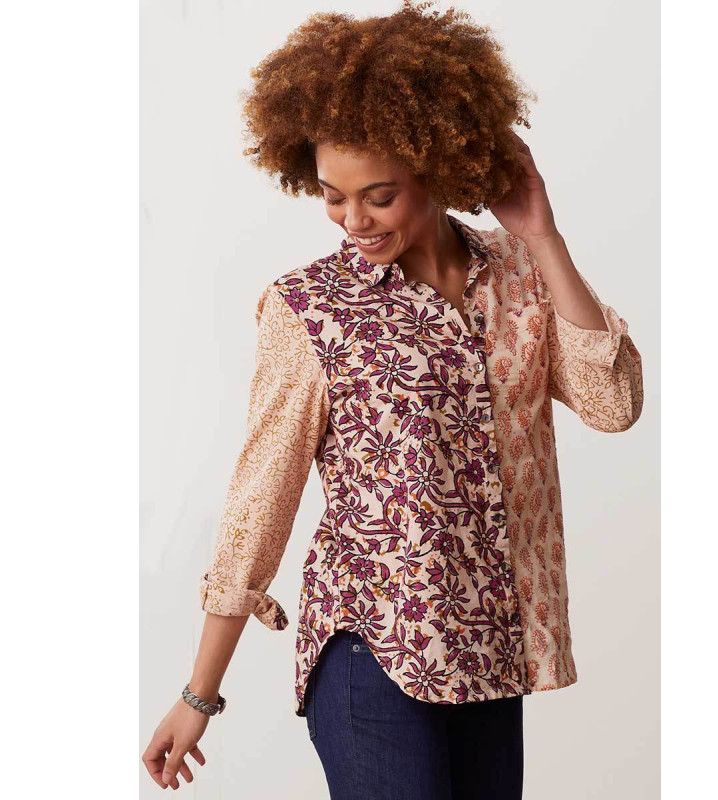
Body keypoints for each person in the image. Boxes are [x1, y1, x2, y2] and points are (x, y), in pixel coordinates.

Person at [142, 1, 644, 797]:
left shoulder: (521, 273)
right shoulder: (310, 308)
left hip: (492, 655)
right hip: (373, 653)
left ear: (438, 170)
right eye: (332, 196)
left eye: (378, 195)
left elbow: (612, 403)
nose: (353, 220)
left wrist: (543, 236)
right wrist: (198, 694)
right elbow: (259, 502)